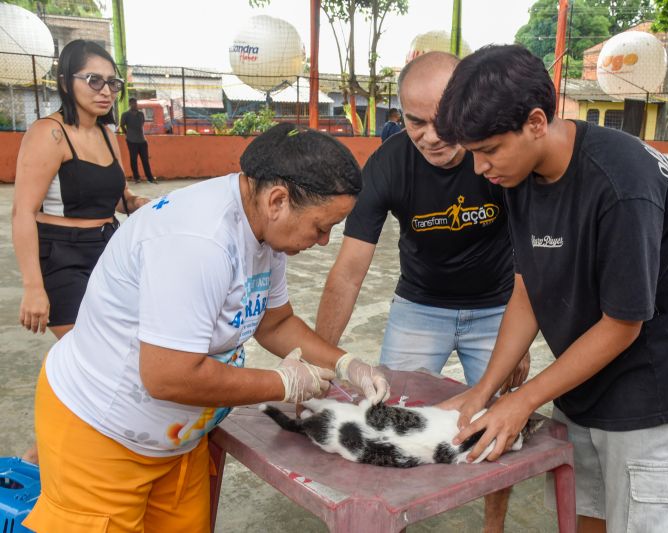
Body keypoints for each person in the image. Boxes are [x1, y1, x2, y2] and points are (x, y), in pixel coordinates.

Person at [22, 123, 389, 533]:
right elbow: (168, 376)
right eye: (321, 227)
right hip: (101, 435)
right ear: (278, 200)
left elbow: (276, 321)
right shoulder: (198, 243)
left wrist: (348, 365)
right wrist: (281, 384)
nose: (322, 241)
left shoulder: (265, 229)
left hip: (175, 439)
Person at [435, 45, 668, 533]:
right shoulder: (517, 173)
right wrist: (482, 391)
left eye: (489, 150)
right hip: (581, 376)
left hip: (651, 385)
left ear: (537, 122)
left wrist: (522, 400)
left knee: (637, 521)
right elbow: (528, 287)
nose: (480, 169)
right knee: (583, 512)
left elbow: (624, 325)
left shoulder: (623, 185)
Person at [315, 51, 529, 533]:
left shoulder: (496, 155)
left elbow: (530, 255)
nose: (431, 136)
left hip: (497, 307)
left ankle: (493, 525)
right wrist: (318, 357)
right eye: (415, 122)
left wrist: (519, 342)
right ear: (400, 114)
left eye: (444, 121)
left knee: (498, 427)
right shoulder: (388, 166)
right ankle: (396, 523)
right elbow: (348, 271)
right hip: (419, 308)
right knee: (389, 420)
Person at [12, 39, 150, 463]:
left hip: (108, 251)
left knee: (134, 353)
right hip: (62, 259)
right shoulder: (48, 134)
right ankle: (42, 456)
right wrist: (34, 288)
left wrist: (143, 206)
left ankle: (50, 455)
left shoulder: (109, 135)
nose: (105, 90)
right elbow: (22, 213)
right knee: (95, 360)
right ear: (66, 81)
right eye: (94, 80)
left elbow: (118, 195)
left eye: (113, 82)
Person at [119, 96, 157, 184]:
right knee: (133, 160)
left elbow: (142, 124)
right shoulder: (125, 115)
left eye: (136, 103)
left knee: (145, 160)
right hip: (131, 141)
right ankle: (136, 178)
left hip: (142, 140)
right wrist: (127, 134)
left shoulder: (141, 114)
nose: (135, 105)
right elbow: (122, 125)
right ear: (130, 104)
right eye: (133, 103)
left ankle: (150, 178)